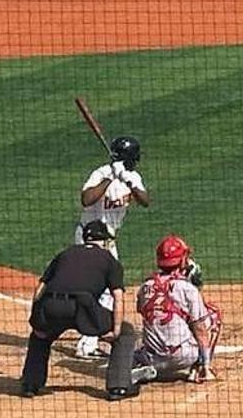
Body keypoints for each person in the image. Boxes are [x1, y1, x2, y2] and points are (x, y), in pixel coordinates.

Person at [20, 219, 132, 399]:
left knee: (40, 337)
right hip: (82, 308)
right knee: (126, 332)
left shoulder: (64, 254)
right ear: (105, 241)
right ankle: (118, 387)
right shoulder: (109, 260)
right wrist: (116, 330)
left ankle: (30, 385)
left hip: (51, 306)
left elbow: (39, 289)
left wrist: (37, 321)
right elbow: (118, 297)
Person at [74, 135, 150, 358]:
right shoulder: (100, 173)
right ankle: (87, 343)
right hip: (89, 238)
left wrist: (128, 181)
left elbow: (145, 201)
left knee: (107, 289)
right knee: (102, 289)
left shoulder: (132, 175)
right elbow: (87, 199)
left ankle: (92, 335)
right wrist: (109, 178)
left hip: (109, 241)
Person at [131, 234, 221, 388]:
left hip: (153, 357)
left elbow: (142, 311)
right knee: (213, 315)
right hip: (184, 357)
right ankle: (200, 369)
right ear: (181, 260)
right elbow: (200, 329)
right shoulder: (187, 288)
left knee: (140, 343)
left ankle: (145, 367)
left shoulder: (144, 287)